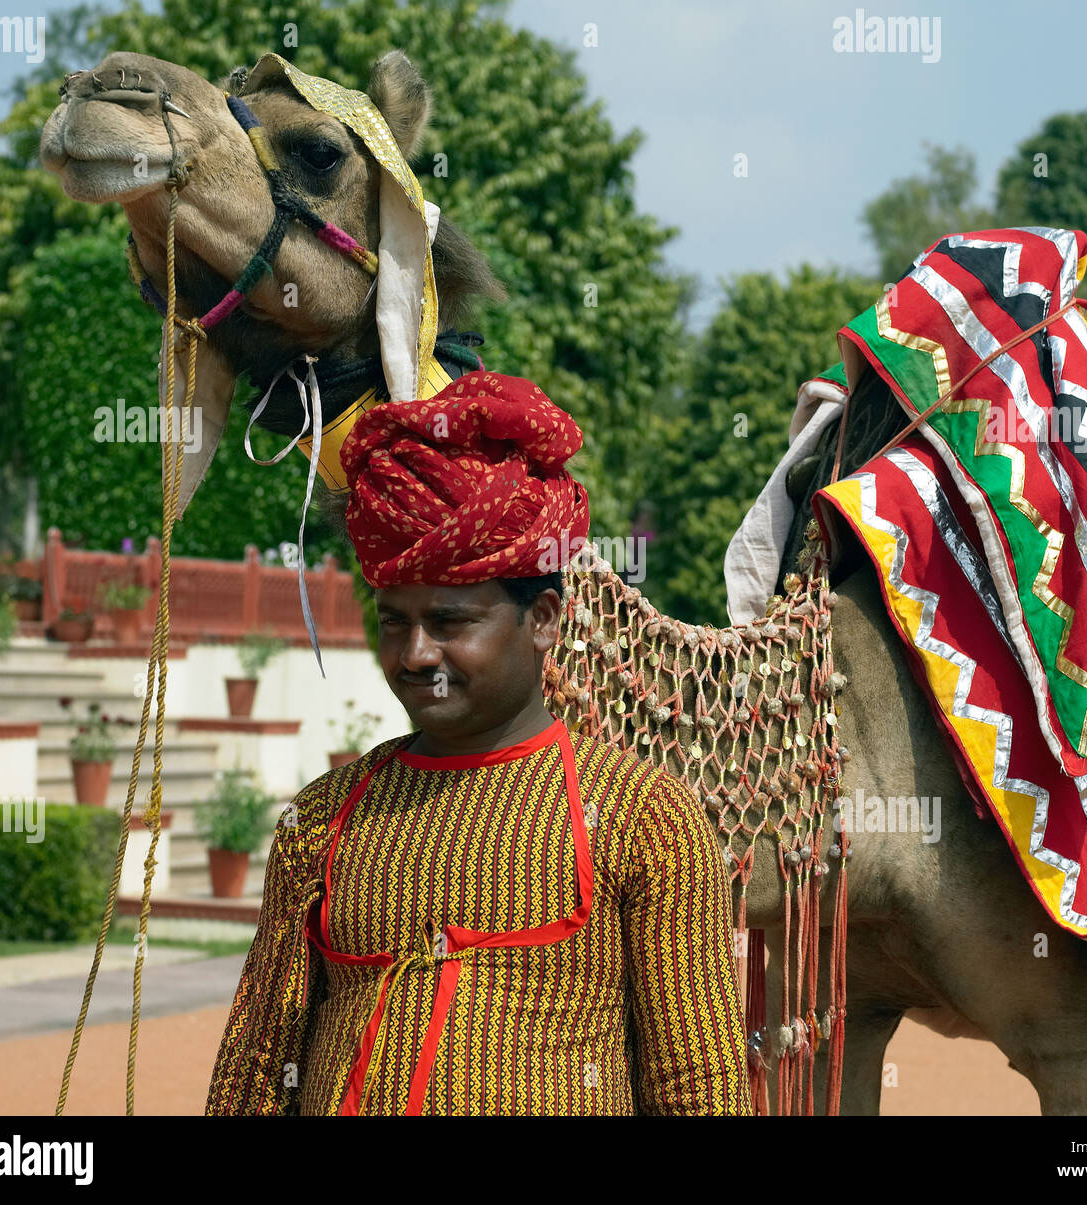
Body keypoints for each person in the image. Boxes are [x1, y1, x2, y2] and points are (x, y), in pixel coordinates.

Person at [205, 372, 751, 1116]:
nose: (416, 652)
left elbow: (699, 1088)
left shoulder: (641, 817)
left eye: (451, 620)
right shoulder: (324, 819)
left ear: (545, 618)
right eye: (395, 619)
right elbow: (255, 1074)